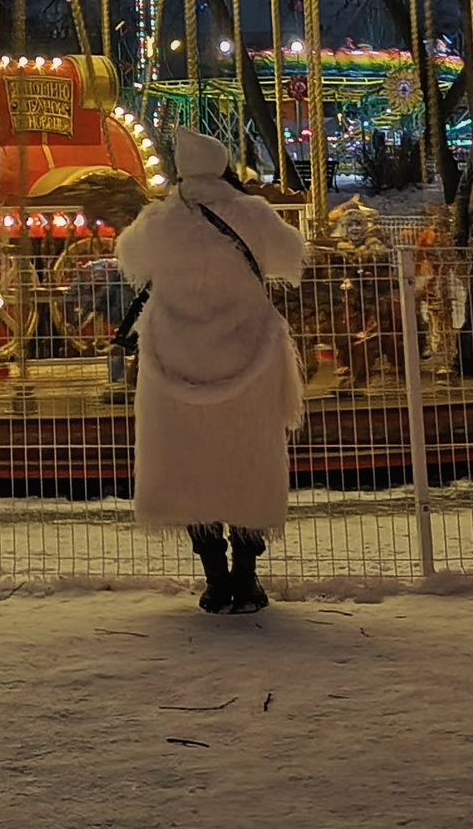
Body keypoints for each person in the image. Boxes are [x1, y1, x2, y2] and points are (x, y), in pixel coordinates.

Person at [114, 127, 307, 615]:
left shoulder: (158, 221)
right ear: (221, 163)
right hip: (249, 355)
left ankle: (215, 581)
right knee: (248, 461)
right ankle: (248, 578)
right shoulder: (252, 213)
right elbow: (290, 259)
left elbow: (130, 261)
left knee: (189, 467)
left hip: (174, 360)